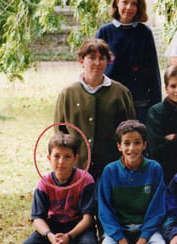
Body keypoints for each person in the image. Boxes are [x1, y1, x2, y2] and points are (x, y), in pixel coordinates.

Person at [54, 38, 136, 180]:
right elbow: (59, 132)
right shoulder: (67, 94)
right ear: (81, 60)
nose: (97, 63)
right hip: (77, 167)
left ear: (108, 61)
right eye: (92, 58)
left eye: (102, 58)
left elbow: (130, 131)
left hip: (112, 167)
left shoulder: (121, 93)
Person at [96, 0, 161, 123]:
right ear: (117, 2)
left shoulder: (145, 33)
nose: (129, 7)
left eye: (134, 4)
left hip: (139, 103)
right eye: (125, 2)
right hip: (110, 100)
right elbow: (95, 67)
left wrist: (156, 106)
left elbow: (153, 70)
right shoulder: (105, 32)